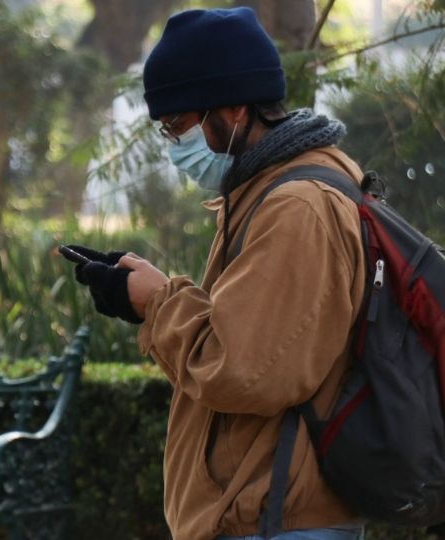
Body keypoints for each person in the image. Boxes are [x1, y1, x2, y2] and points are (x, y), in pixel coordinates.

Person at [66, 7, 369, 540]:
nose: (172, 144)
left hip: (278, 517)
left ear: (231, 108)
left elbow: (244, 369)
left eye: (177, 125)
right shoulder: (265, 191)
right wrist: (153, 293)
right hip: (263, 511)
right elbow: (258, 341)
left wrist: (157, 303)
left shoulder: (298, 207)